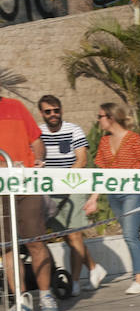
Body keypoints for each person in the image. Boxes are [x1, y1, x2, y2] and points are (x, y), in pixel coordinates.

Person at [83, 103, 140, 294]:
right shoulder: (103, 142)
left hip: (134, 192)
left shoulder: (134, 140)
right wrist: (93, 199)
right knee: (130, 235)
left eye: (100, 116)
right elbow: (102, 173)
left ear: (111, 117)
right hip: (113, 195)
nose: (98, 120)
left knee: (130, 235)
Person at [38, 95, 106, 295]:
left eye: (56, 110)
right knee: (66, 236)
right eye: (48, 111)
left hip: (73, 186)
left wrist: (62, 179)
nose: (53, 114)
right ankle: (94, 268)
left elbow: (82, 160)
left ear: (61, 110)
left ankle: (75, 282)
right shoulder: (37, 132)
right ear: (42, 113)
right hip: (49, 190)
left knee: (75, 234)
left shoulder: (73, 129)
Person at [0, 92, 58, 311]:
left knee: (35, 241)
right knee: (7, 246)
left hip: (26, 185)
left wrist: (39, 161)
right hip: (1, 188)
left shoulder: (16, 106)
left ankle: (46, 295)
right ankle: (22, 299)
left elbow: (36, 141)